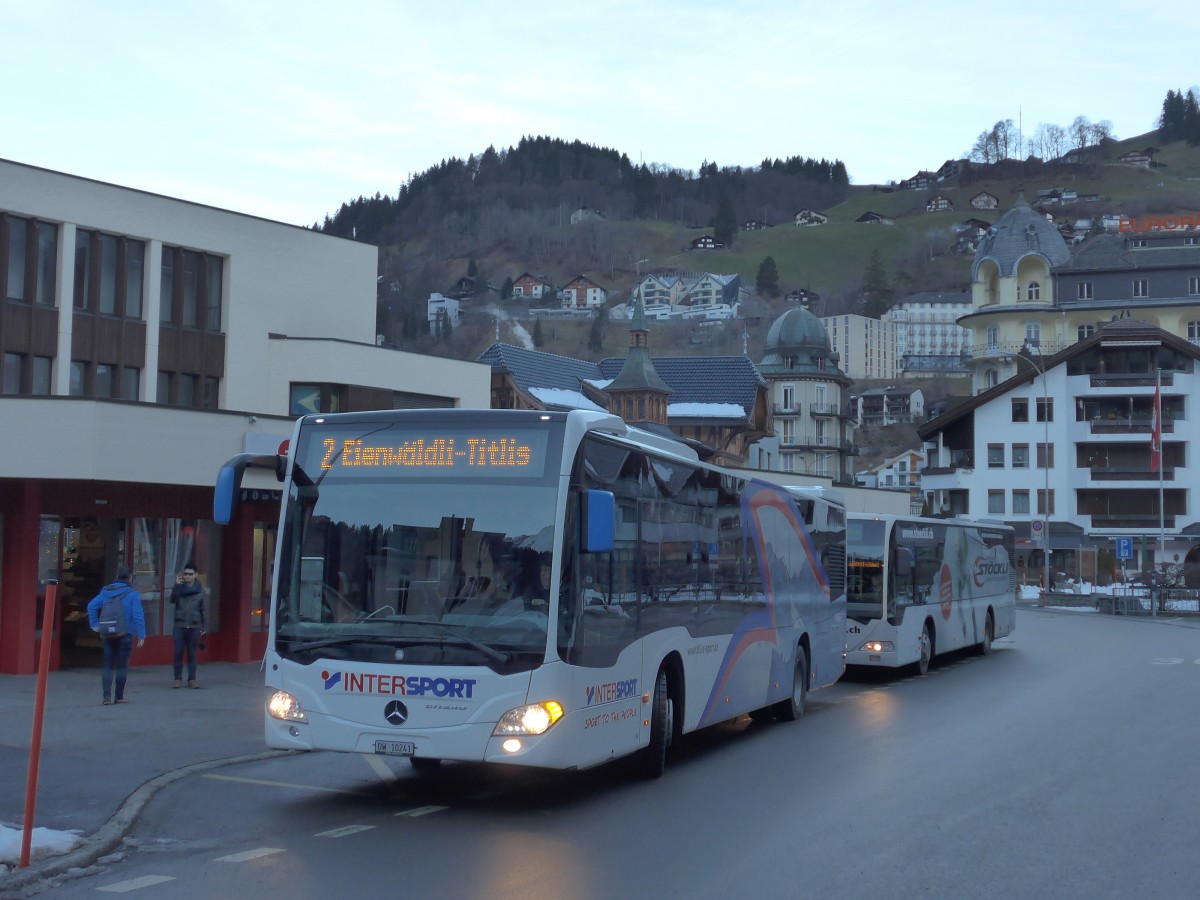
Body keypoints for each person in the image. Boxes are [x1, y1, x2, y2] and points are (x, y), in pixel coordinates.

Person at [87, 564, 146, 705]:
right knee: (122, 666)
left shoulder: (105, 591)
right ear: (130, 577)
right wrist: (141, 634)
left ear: (117, 576)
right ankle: (119, 696)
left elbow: (91, 606)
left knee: (107, 665)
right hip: (126, 633)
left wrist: (95, 624)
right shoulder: (133, 593)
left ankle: (106, 697)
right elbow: (138, 614)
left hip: (108, 633)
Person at [170, 564, 208, 688]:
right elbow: (172, 600)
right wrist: (176, 585)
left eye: (190, 574)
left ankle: (192, 679)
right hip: (180, 624)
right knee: (178, 652)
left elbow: (204, 609)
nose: (187, 576)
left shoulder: (201, 590)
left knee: (192, 653)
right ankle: (177, 679)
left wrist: (204, 627)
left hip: (194, 625)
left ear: (195, 575)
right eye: (185, 574)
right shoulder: (179, 588)